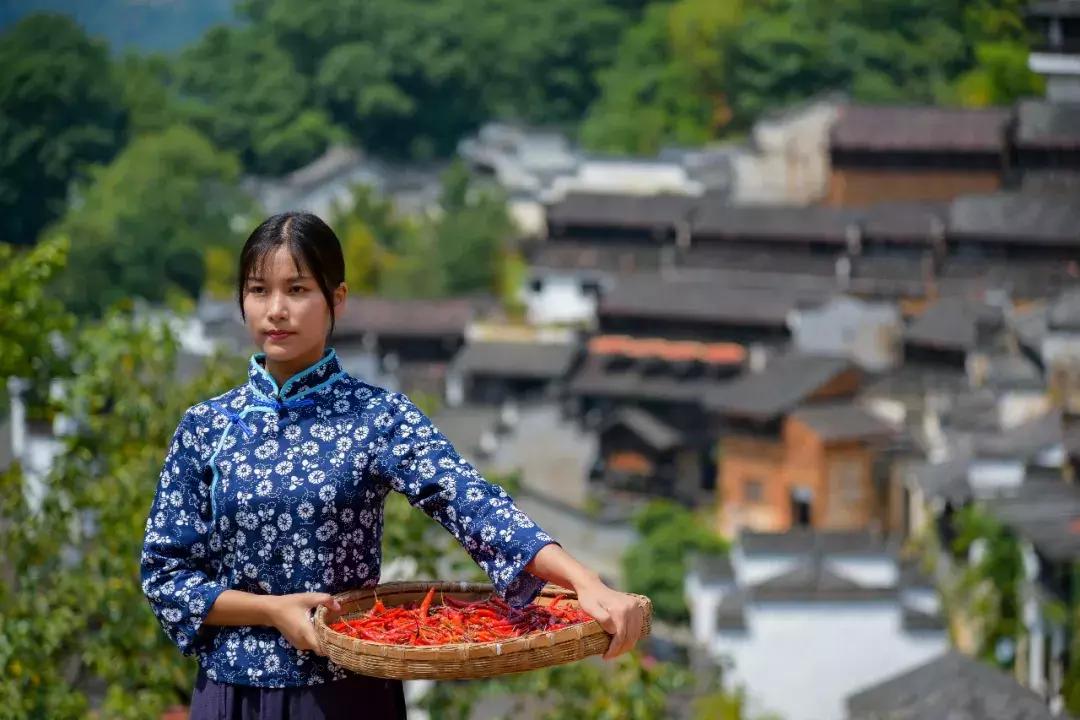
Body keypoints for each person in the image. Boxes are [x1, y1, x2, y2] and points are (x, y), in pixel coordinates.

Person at [140, 212, 645, 719]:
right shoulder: (207, 426)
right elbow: (166, 575)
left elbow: (473, 505)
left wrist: (585, 582)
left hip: (344, 694)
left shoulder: (378, 417)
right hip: (232, 696)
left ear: (337, 298)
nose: (276, 310)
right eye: (258, 290)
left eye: (297, 290)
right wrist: (271, 610)